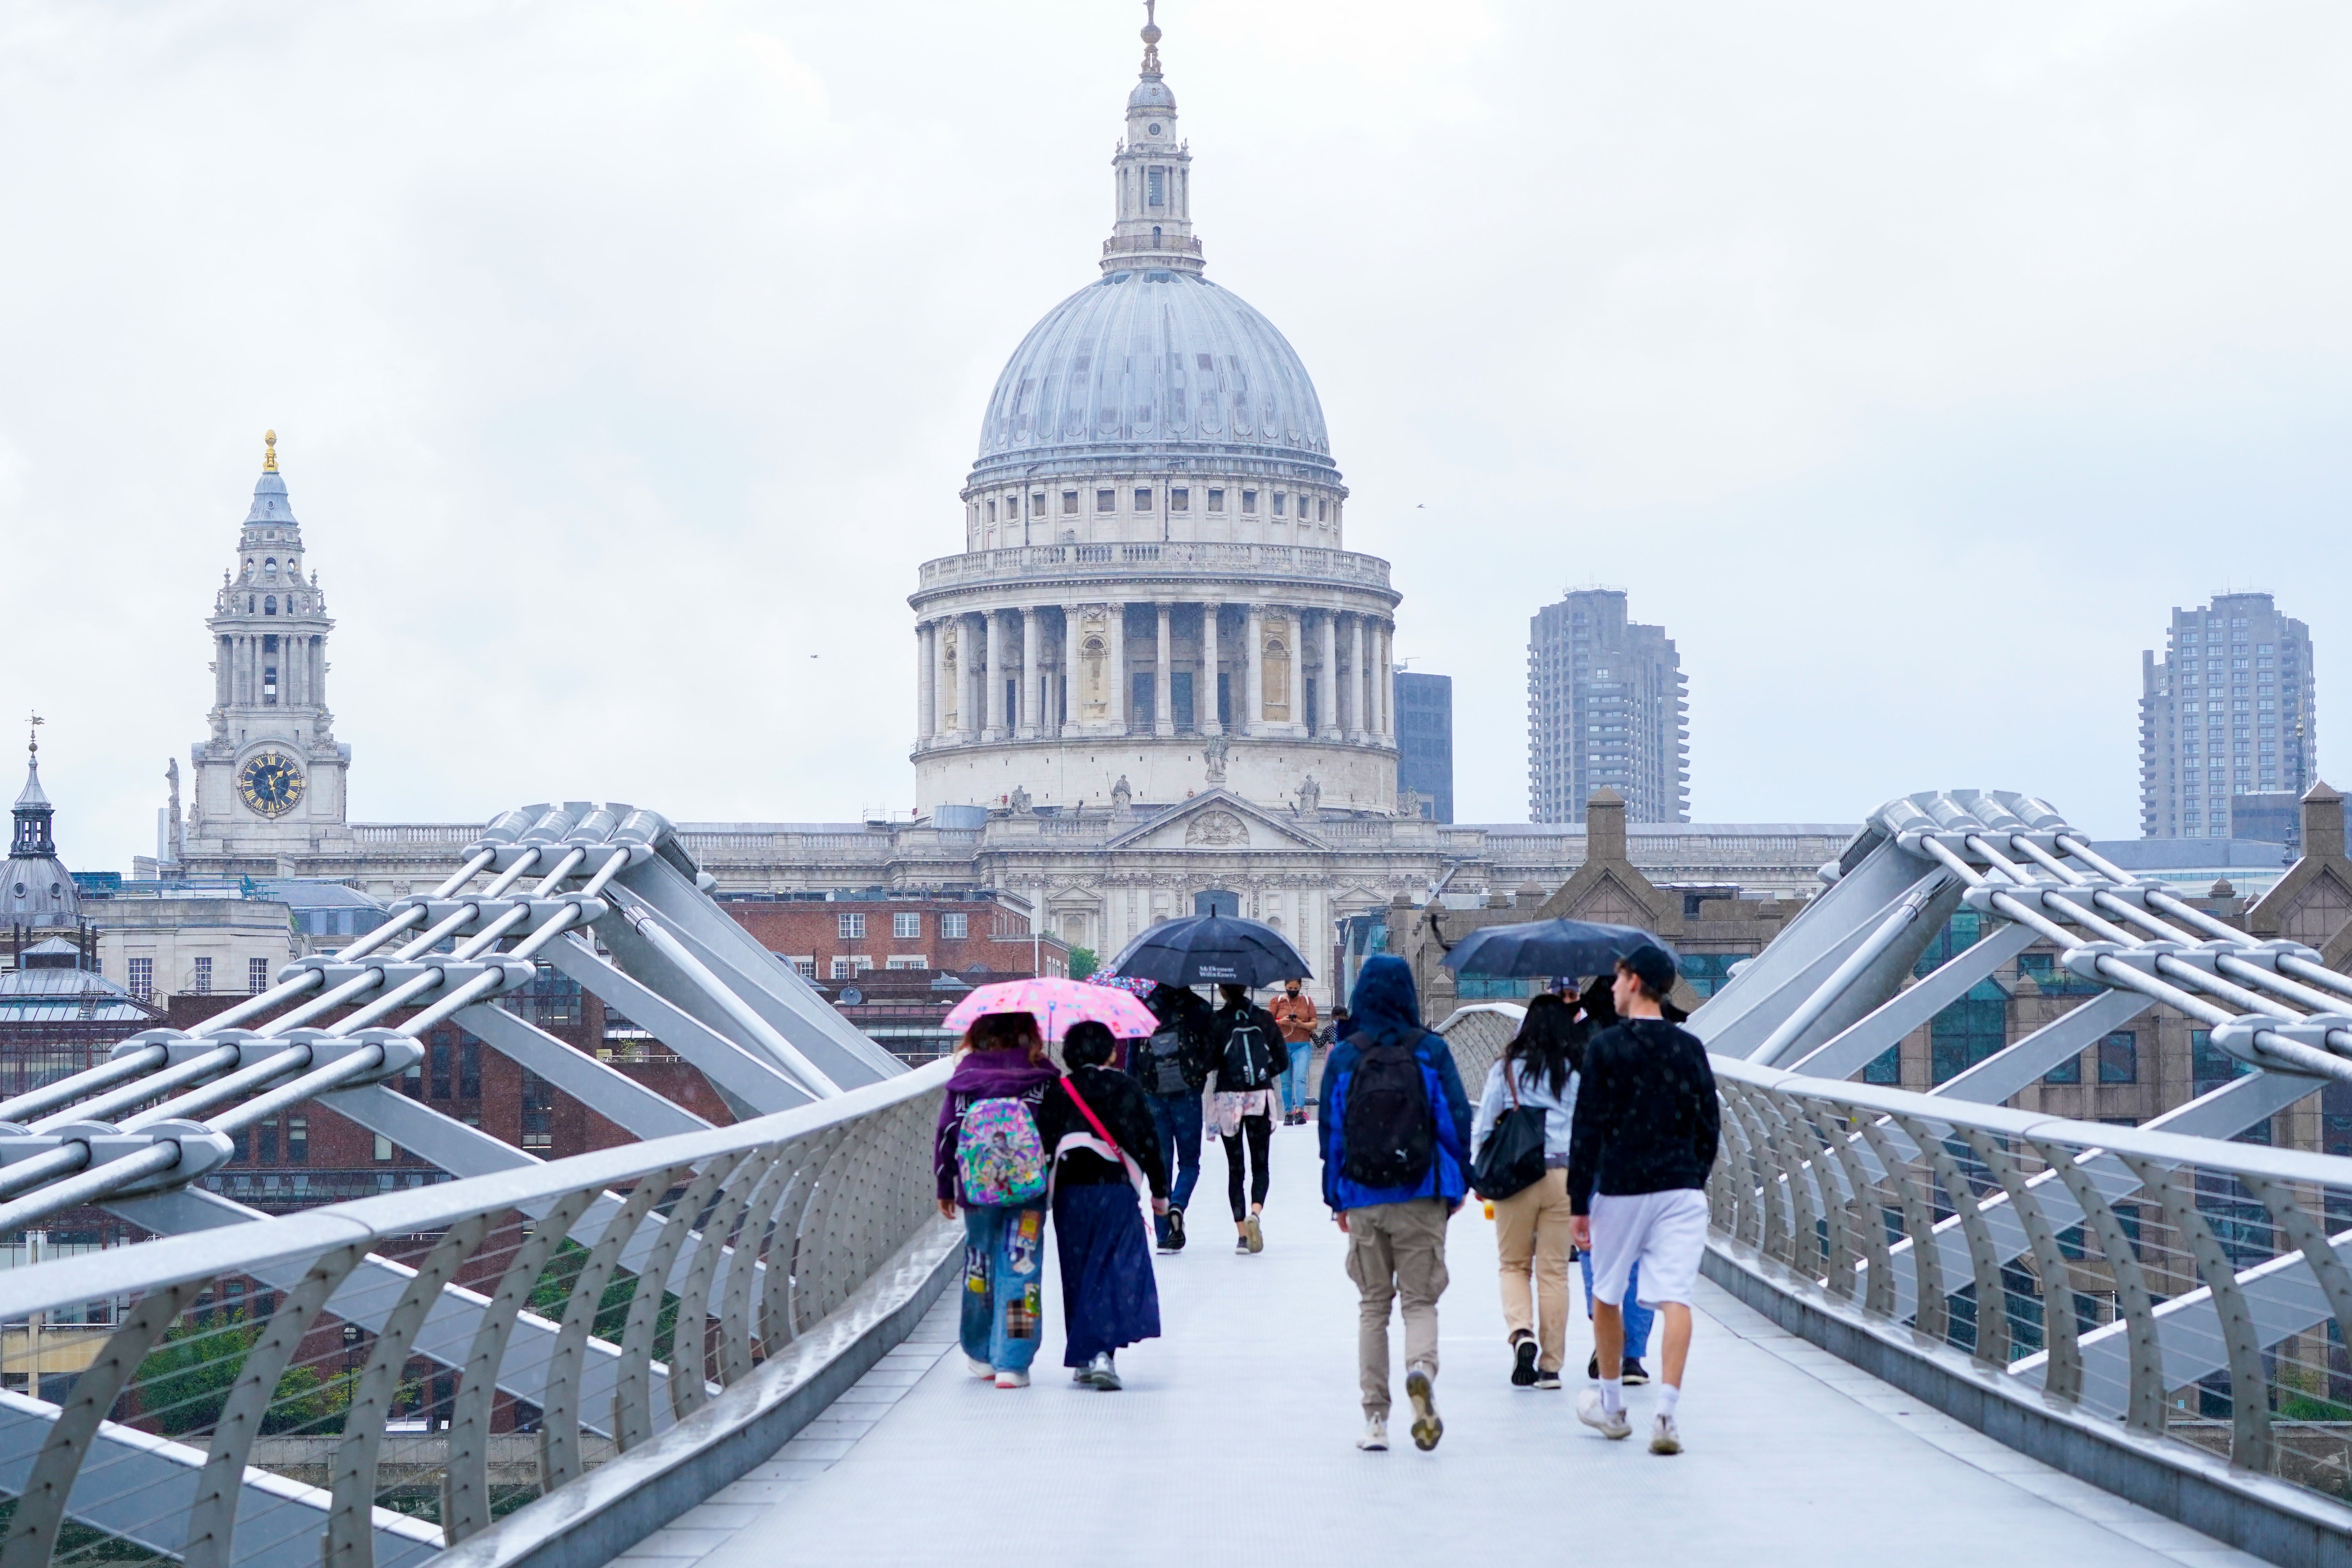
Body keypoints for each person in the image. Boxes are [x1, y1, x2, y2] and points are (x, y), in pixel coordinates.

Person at [1568, 947, 1720, 1455]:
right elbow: (1708, 1127)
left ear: (1634, 982)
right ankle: (1666, 1414)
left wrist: (1579, 1202)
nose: (1611, 988)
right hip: (1680, 1188)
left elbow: (1587, 1130)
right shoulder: (1689, 1047)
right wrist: (1691, 1176)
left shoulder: (1607, 1047)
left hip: (1622, 1187)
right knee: (1675, 1298)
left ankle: (1612, 1408)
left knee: (1608, 1294)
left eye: (1617, 978)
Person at [1318, 954, 1472, 1454]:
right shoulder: (1430, 1050)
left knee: (1372, 1306)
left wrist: (1336, 1196)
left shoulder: (1346, 1055)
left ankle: (1375, 1420)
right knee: (1420, 1301)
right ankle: (1420, 1371)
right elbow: (1453, 1122)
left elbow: (1333, 1133)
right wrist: (1457, 1184)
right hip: (1421, 1191)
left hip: (1364, 1195)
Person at [1035, 1021, 1169, 1390]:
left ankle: (1083, 1355)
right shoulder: (1128, 1088)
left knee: (1077, 1272)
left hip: (1070, 1195)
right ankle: (1102, 1355)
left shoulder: (1060, 1091)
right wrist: (1160, 1194)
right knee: (1111, 1270)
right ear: (1111, 1052)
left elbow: (1044, 1144)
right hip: (1115, 1193)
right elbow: (1150, 1143)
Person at [933, 1011, 1060, 1388]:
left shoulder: (966, 1079)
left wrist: (945, 1187)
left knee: (979, 1266)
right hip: (1030, 1197)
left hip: (977, 1195)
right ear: (1028, 1034)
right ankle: (1014, 1362)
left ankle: (980, 1353)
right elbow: (1054, 1135)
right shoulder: (1044, 1077)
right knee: (1023, 1273)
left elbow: (947, 1135)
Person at [1469, 993, 1580, 1390]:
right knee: (1554, 1273)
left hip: (1516, 1175)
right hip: (1562, 1176)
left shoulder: (1507, 1070)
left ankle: (1522, 1333)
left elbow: (1483, 1126)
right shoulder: (1573, 1072)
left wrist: (1480, 1174)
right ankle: (1551, 1367)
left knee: (1514, 1264)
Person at [1566, 975, 1652, 1386]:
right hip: (1647, 1165)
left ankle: (1607, 1338)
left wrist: (1576, 1197)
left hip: (1600, 1163)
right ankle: (1632, 1354)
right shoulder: (1655, 1041)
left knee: (1594, 1254)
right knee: (1638, 1257)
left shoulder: (1584, 1043)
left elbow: (1581, 1121)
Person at [1128, 983, 1215, 1252]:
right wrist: (1197, 1079)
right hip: (1187, 1094)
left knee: (1161, 1165)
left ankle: (1164, 1235)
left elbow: (1132, 1059)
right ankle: (1178, 1203)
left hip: (1152, 1094)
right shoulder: (1200, 1007)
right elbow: (1211, 1055)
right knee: (1190, 1163)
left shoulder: (1143, 1007)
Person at [1207, 983, 1289, 1252]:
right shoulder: (1264, 1018)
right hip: (1259, 1098)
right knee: (1260, 1165)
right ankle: (1255, 1213)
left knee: (1236, 1168)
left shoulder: (1217, 1020)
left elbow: (1208, 1061)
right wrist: (1264, 1071)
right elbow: (1283, 1060)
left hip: (1228, 1099)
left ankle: (1242, 1235)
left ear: (1222, 991)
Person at [1269, 978, 1319, 1125]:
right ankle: (1288, 1113)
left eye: (1296, 988)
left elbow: (1314, 1023)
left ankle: (1299, 1111)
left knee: (1300, 1078)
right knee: (1285, 1082)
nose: (1293, 991)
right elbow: (1266, 1022)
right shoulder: (1277, 1001)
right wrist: (1281, 1022)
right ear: (1285, 987)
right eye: (1290, 988)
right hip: (1282, 1045)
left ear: (1300, 987)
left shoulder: (1307, 1002)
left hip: (1302, 1045)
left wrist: (1301, 1024)